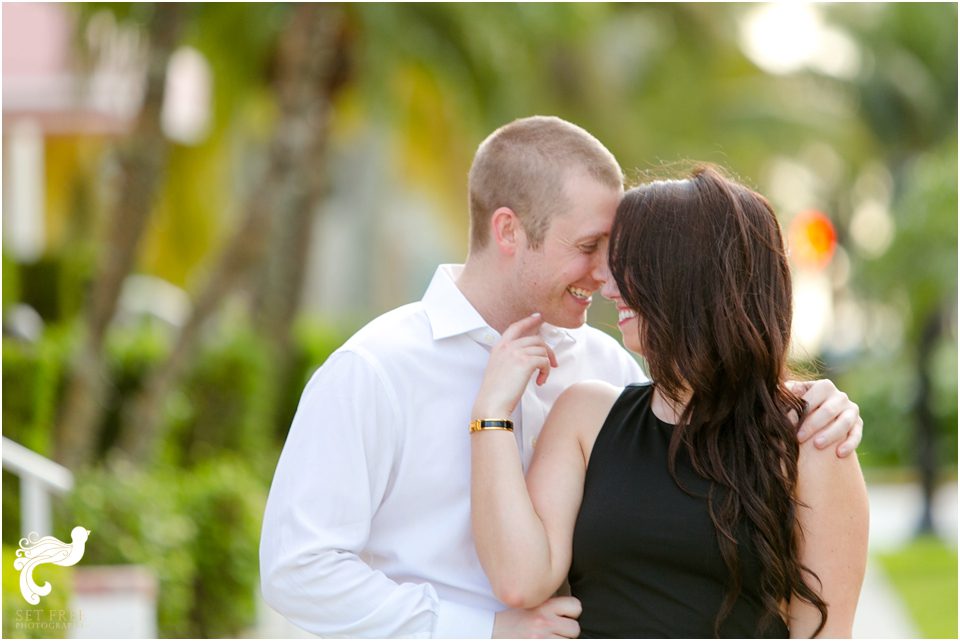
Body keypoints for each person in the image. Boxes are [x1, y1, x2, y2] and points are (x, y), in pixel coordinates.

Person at [259, 116, 863, 638]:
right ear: (508, 231)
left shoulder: (601, 365)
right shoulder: (376, 371)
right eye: (590, 245)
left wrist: (808, 402)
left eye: (616, 250)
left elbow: (704, 442)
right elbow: (299, 570)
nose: (608, 274)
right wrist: (481, 632)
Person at [469, 165, 869, 638]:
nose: (608, 285)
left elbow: (824, 632)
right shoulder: (585, 416)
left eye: (630, 266)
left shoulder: (812, 440)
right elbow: (520, 581)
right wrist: (490, 416)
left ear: (687, 276)